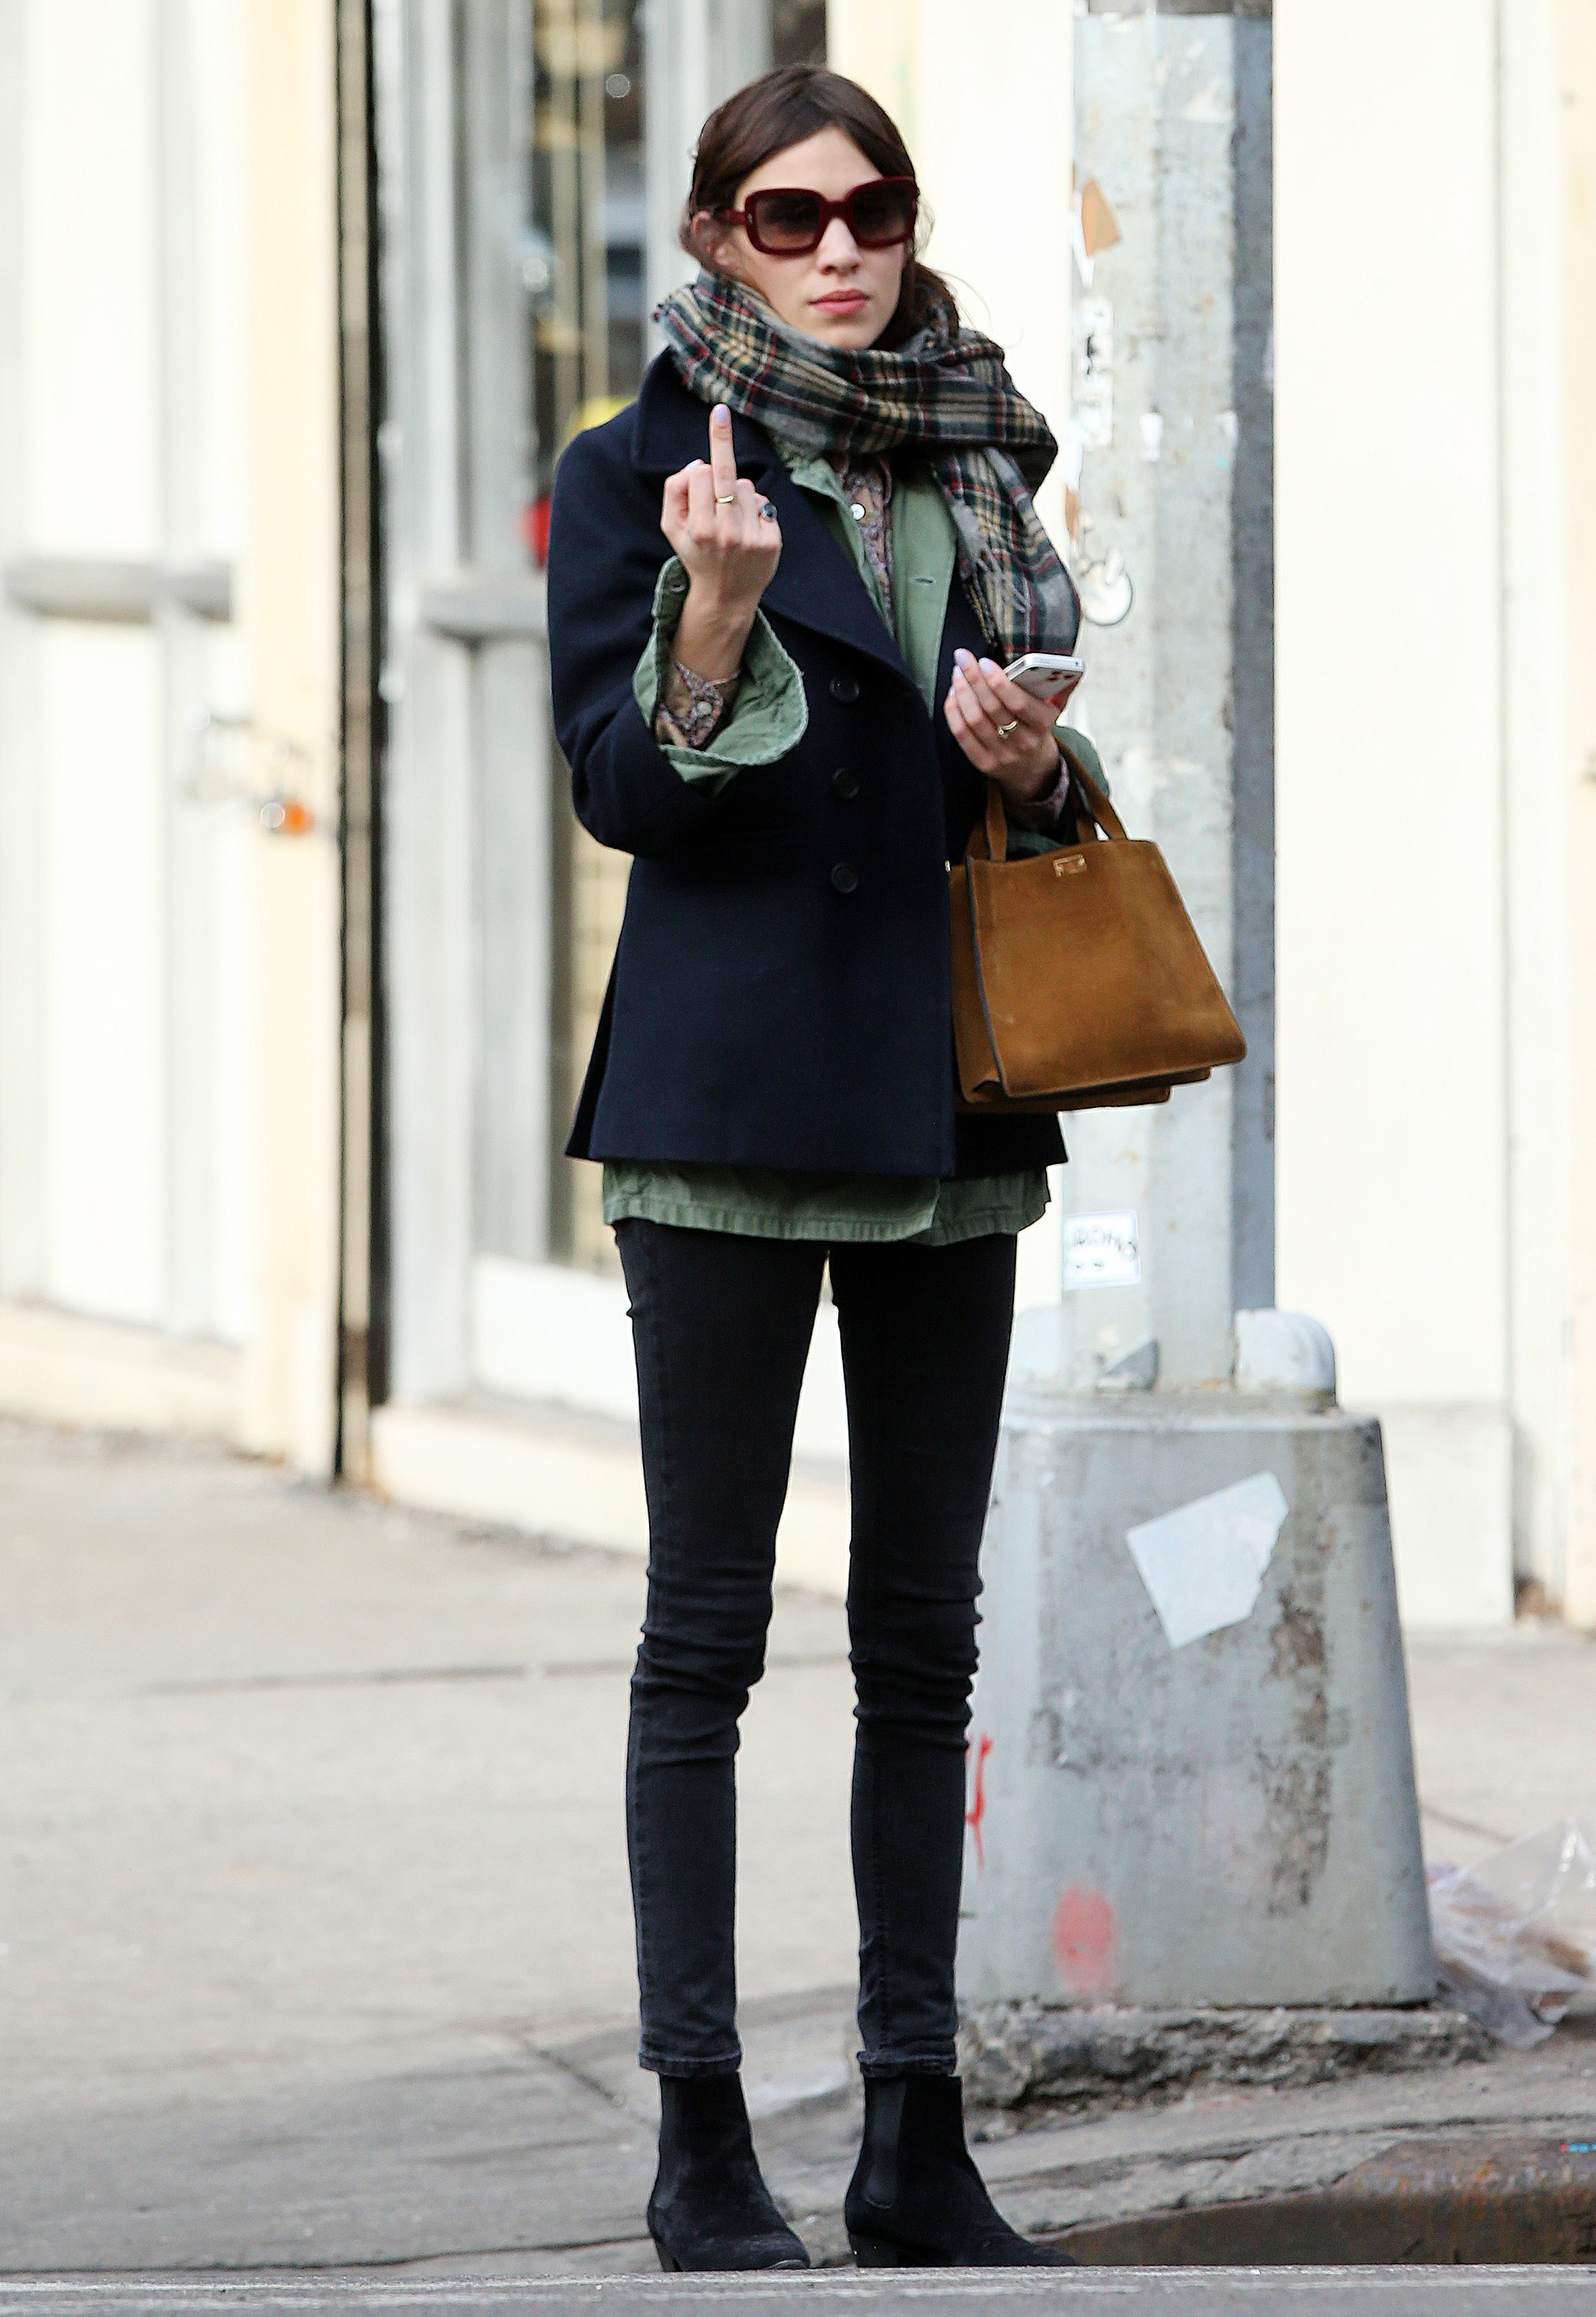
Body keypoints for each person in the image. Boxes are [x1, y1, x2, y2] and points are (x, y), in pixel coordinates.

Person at [547, 63, 1091, 2272]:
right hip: (726, 1116)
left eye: (870, 208)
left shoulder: (981, 460)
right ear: (713, 237)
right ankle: (698, 2143)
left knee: (923, 1643)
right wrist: (706, 619)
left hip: (942, 1108)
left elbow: (1025, 790)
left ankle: (909, 2138)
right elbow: (622, 792)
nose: (841, 248)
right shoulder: (636, 472)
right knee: (702, 1641)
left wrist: (1033, 759)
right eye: (788, 217)